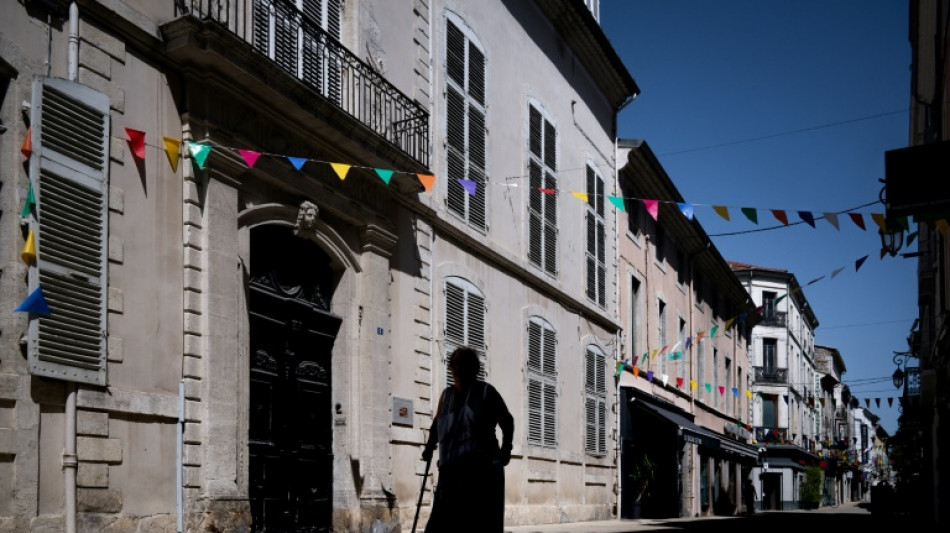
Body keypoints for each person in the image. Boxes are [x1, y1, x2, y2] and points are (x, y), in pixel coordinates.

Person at [421, 346, 514, 533]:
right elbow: (437, 423)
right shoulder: (446, 396)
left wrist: (506, 450)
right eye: (455, 365)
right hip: (450, 475)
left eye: (463, 365)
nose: (458, 370)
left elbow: (507, 421)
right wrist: (430, 446)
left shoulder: (486, 393)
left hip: (481, 476)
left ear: (474, 369)